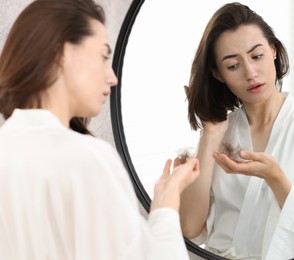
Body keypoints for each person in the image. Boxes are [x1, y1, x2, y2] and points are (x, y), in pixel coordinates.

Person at [0, 0, 200, 259]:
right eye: (104, 56)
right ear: (62, 55)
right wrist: (169, 201)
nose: (112, 77)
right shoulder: (85, 157)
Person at [179, 2, 294, 259]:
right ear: (218, 74)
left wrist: (276, 178)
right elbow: (191, 228)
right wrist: (209, 135)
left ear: (273, 51)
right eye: (233, 65)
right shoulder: (219, 133)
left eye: (257, 56)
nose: (251, 73)